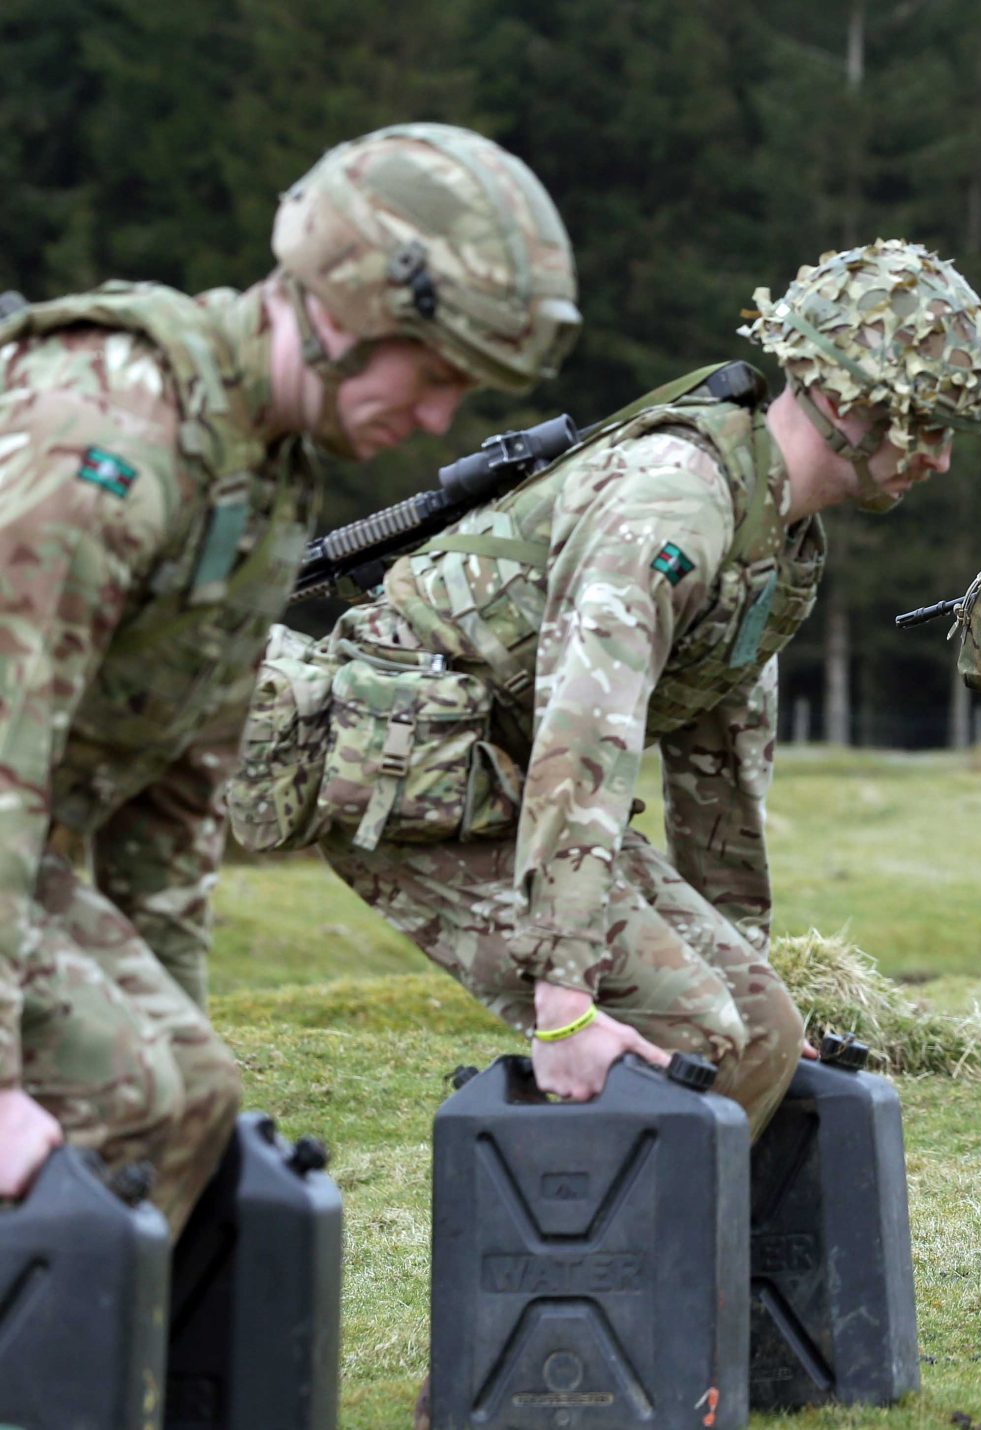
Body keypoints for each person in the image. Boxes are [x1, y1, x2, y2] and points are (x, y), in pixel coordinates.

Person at [232, 241, 981, 1130]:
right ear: (841, 402)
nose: (941, 461)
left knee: (758, 1033)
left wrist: (741, 960)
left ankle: (688, 1264)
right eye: (928, 426)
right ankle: (576, 1262)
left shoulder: (777, 539)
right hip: (409, 769)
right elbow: (584, 734)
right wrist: (565, 995)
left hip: (506, 780)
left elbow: (722, 771)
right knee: (694, 1039)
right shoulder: (674, 506)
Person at [0, 123, 578, 1221]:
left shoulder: (260, 472)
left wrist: (174, 1017)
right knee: (128, 1093)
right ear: (348, 307)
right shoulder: (110, 431)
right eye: (438, 373)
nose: (438, 418)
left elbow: (174, 793)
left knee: (186, 1094)